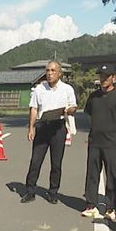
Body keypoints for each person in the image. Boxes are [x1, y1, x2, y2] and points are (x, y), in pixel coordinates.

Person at [82, 65, 116, 221]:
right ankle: (91, 205)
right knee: (92, 173)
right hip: (95, 141)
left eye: (106, 76)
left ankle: (111, 207)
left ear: (114, 78)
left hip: (111, 142)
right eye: (101, 76)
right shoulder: (93, 97)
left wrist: (115, 132)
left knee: (112, 174)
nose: (103, 79)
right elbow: (90, 116)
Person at [22, 61, 77, 204]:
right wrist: (31, 127)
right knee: (35, 161)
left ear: (59, 73)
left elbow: (73, 107)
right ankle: (30, 191)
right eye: (47, 70)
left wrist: (68, 110)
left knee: (56, 163)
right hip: (42, 127)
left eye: (53, 70)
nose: (50, 73)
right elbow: (34, 108)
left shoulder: (67, 89)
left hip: (58, 127)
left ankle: (53, 192)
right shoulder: (39, 89)